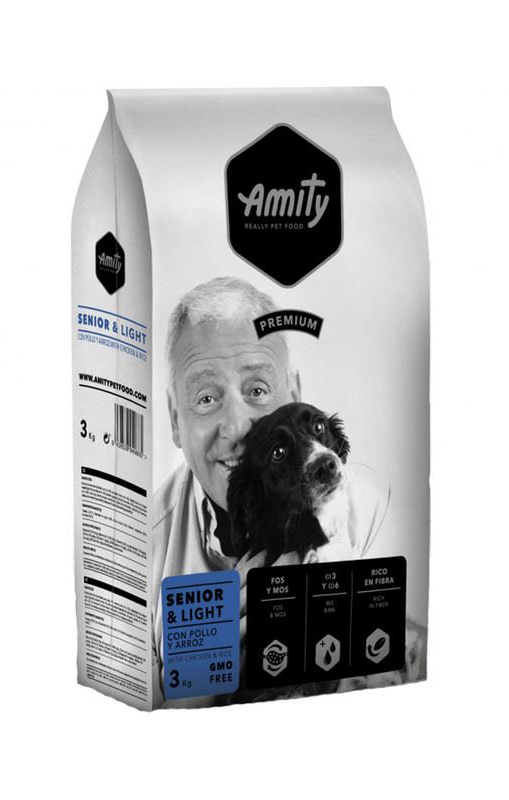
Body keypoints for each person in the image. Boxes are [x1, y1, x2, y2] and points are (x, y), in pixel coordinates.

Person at [150, 276, 392, 707]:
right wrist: (208, 657)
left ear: (294, 392)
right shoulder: (139, 546)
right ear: (174, 421)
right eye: (206, 398)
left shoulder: (374, 513)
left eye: (258, 390)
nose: (238, 428)